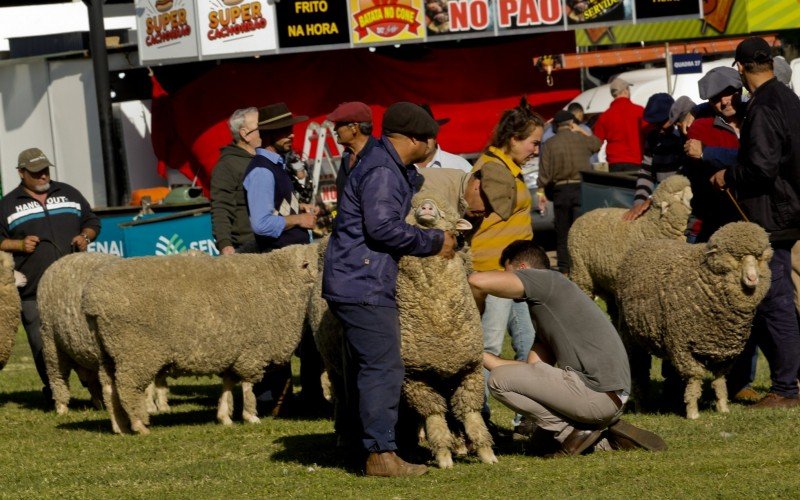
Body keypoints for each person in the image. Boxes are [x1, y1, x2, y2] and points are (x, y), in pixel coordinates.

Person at [322, 102, 456, 477]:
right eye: (431, 138)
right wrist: (434, 241)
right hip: (363, 279)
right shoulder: (383, 170)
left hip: (353, 276)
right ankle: (380, 454)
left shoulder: (383, 164)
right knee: (382, 368)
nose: (434, 144)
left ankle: (360, 443)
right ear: (415, 138)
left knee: (363, 367)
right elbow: (381, 227)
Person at [469, 240, 666, 456]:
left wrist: (475, 313)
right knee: (536, 441)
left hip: (596, 393)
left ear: (523, 270)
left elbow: (476, 281)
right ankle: (603, 437)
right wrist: (474, 352)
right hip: (608, 397)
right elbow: (532, 369)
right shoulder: (548, 309)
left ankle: (576, 429)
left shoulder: (546, 280)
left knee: (498, 380)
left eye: (507, 272)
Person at [711, 36, 800, 409]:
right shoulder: (789, 99)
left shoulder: (763, 107)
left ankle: (786, 388)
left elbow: (761, 169)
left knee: (774, 301)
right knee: (781, 299)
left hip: (772, 213)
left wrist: (728, 177)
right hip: (790, 207)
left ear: (740, 67)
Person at [0, 148, 100, 403]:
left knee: (86, 339)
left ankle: (97, 390)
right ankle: (57, 391)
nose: (43, 176)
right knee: (42, 346)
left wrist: (85, 235)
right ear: (21, 173)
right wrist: (18, 245)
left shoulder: (69, 193)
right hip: (34, 290)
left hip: (75, 287)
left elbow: (92, 220)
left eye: (45, 170)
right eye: (35, 172)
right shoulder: (8, 205)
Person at [242, 102, 323, 414]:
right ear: (269, 133)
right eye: (283, 130)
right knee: (282, 335)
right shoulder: (262, 171)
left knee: (299, 332)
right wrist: (297, 221)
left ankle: (300, 397)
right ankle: (276, 401)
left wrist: (297, 210)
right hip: (278, 265)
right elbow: (261, 223)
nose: (291, 134)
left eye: (291, 128)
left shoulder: (276, 165)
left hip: (290, 261)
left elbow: (274, 211)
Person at [469, 98, 542, 429]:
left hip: (518, 272)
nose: (536, 150)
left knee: (530, 342)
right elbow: (490, 208)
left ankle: (530, 415)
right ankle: (478, 418)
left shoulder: (507, 168)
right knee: (489, 345)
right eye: (533, 143)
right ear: (513, 139)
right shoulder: (492, 169)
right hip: (494, 271)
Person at [683, 67, 744, 243]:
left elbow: (759, 158)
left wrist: (707, 152)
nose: (724, 102)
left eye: (729, 93)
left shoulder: (757, 115)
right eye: (716, 98)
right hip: (719, 219)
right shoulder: (700, 128)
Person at [537, 109, 601, 273]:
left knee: (562, 231)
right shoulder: (581, 139)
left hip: (560, 190)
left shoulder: (550, 144)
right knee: (580, 231)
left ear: (556, 126)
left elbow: (544, 172)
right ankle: (583, 267)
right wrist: (580, 130)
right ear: (570, 124)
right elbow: (597, 144)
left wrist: (540, 192)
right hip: (580, 188)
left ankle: (565, 268)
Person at [622, 93, 686, 221]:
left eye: (663, 121)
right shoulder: (652, 138)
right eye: (655, 123)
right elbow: (646, 172)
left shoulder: (683, 136)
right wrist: (638, 204)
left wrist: (651, 199)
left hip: (682, 202)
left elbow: (682, 174)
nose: (660, 127)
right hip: (660, 201)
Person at [210, 107, 261, 255]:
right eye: (260, 127)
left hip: (271, 242)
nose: (266, 130)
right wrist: (225, 244)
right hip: (248, 248)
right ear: (245, 134)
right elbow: (221, 207)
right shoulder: (227, 165)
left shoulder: (263, 158)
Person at [328, 101, 377, 202]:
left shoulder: (379, 156)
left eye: (339, 124)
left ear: (354, 127)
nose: (334, 129)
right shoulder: (347, 155)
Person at [593, 77, 645, 173]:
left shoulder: (604, 116)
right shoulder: (639, 111)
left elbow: (596, 143)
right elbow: (649, 132)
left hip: (614, 164)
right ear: (625, 91)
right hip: (635, 162)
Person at [415, 104, 472, 173]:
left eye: (427, 133)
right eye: (417, 135)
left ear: (435, 134)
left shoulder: (459, 165)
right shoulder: (400, 168)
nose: (423, 140)